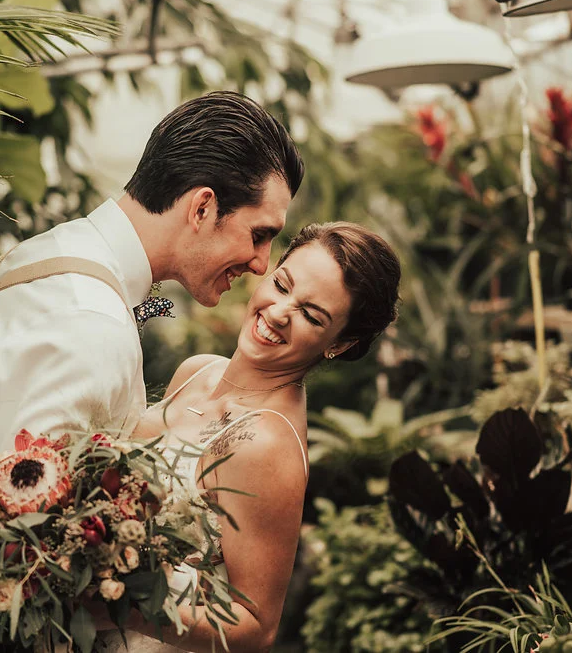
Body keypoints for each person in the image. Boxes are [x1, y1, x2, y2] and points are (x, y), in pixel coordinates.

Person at [0, 91, 304, 507]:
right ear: (202, 208)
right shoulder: (88, 317)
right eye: (258, 235)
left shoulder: (54, 252)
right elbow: (33, 532)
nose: (262, 265)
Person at [97, 222, 401, 652]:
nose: (278, 312)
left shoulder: (265, 443)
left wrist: (115, 600)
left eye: (312, 315)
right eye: (282, 285)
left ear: (341, 343)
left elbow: (255, 626)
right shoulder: (199, 371)